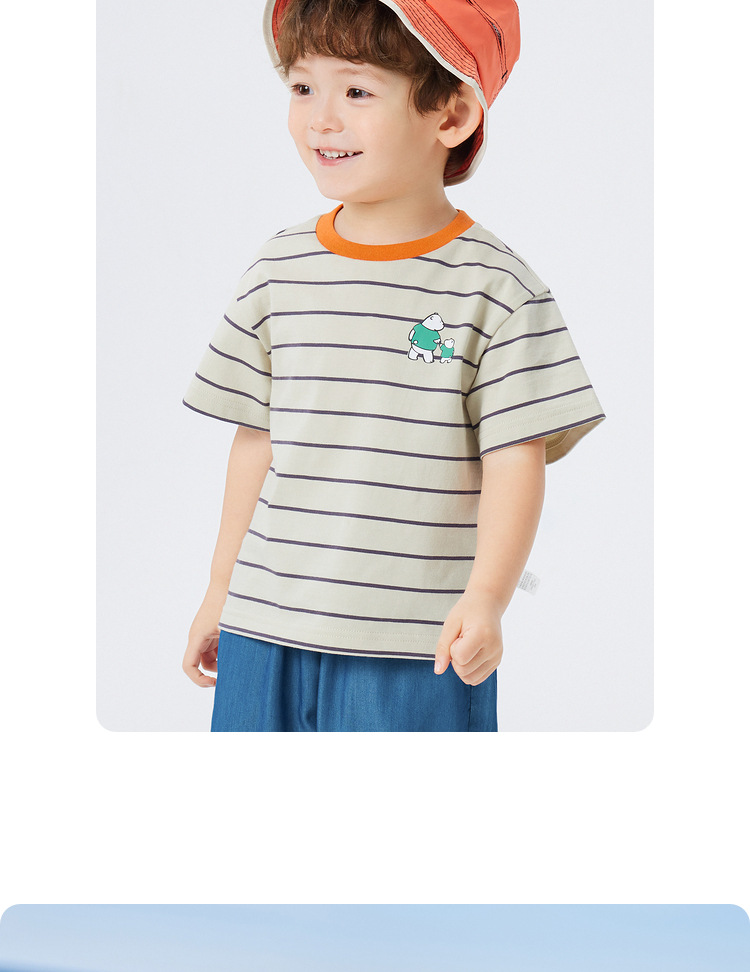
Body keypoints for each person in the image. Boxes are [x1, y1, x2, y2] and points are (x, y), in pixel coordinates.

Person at [181, 0, 605, 732]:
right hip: (264, 626)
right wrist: (220, 591)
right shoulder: (280, 268)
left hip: (415, 643)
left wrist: (487, 599)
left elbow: (516, 458)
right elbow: (256, 441)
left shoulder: (498, 291)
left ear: (452, 115)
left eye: (356, 90)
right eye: (302, 87)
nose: (321, 119)